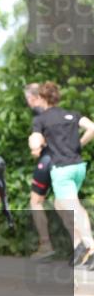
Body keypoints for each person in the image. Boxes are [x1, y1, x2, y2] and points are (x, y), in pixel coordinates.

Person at [27, 81, 94, 269]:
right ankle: (78, 246)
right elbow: (92, 128)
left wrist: (34, 143)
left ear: (41, 98)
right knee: (59, 204)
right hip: (78, 167)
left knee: (73, 207)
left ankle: (90, 247)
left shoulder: (41, 119)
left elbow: (35, 143)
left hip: (62, 170)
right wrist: (79, 144)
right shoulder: (71, 114)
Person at [23, 83, 55, 259]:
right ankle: (83, 245)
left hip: (47, 160)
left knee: (35, 202)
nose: (28, 102)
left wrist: (36, 147)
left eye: (28, 98)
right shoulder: (58, 111)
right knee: (65, 203)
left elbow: (36, 144)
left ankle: (45, 245)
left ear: (34, 97)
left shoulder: (39, 113)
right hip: (66, 161)